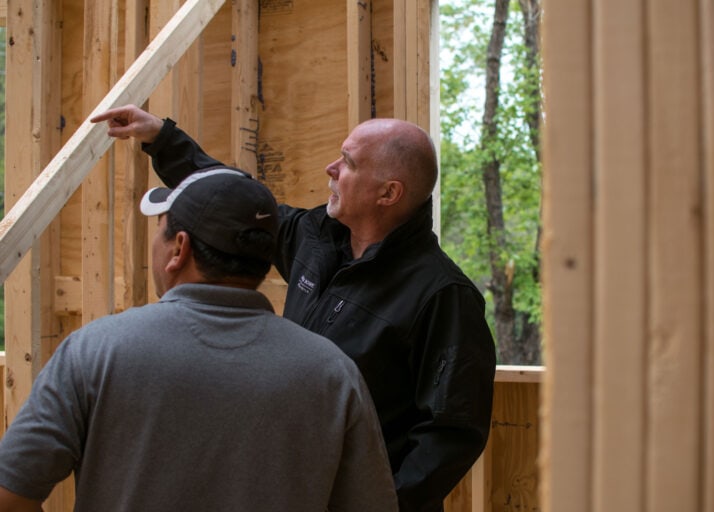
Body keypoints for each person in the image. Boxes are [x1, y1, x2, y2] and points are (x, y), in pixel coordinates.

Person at [92, 105, 498, 512]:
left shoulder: (443, 295)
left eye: (349, 163)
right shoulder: (316, 239)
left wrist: (381, 504)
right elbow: (230, 197)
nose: (331, 168)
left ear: (388, 193)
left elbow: (451, 435)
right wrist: (161, 138)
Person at [0, 168, 398, 512]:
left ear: (179, 248)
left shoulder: (95, 351)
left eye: (161, 230)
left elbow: (9, 495)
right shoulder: (332, 372)